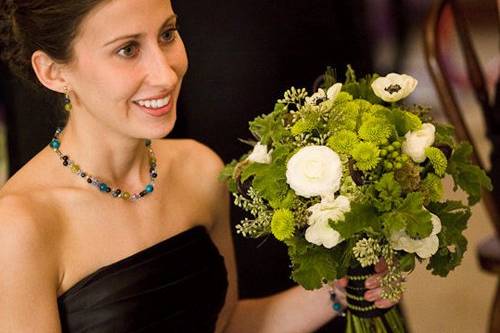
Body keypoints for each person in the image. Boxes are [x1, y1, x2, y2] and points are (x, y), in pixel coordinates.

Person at [0, 0, 396, 332]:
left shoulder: (198, 168)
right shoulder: (20, 226)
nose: (165, 72)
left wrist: (341, 291)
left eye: (168, 34)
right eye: (128, 49)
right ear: (53, 72)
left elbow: (223, 325)